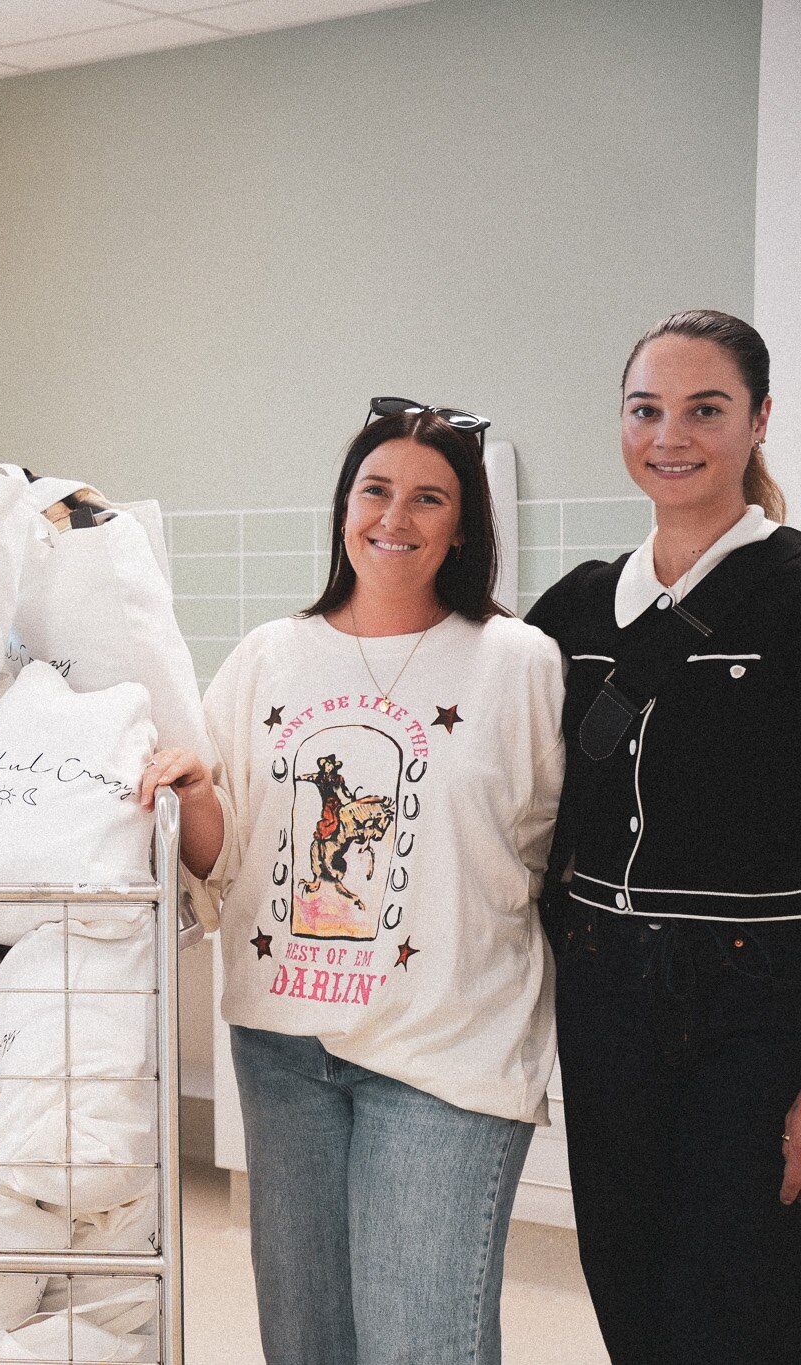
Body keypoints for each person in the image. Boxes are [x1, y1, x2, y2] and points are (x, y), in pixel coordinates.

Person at [140, 400, 564, 1364]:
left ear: (465, 525)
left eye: (429, 498)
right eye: (376, 490)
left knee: (420, 1343)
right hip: (287, 1049)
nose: (396, 516)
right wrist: (198, 791)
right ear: (343, 508)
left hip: (447, 1053)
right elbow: (227, 858)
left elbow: (547, 851)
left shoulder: (518, 665)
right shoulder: (268, 658)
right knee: (307, 1342)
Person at [526, 310, 801, 1363]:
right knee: (628, 1288)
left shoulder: (790, 592)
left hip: (759, 1003)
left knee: (740, 1303)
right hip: (604, 999)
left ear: (758, 420)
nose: (669, 435)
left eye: (704, 409)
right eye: (645, 409)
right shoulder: (572, 612)